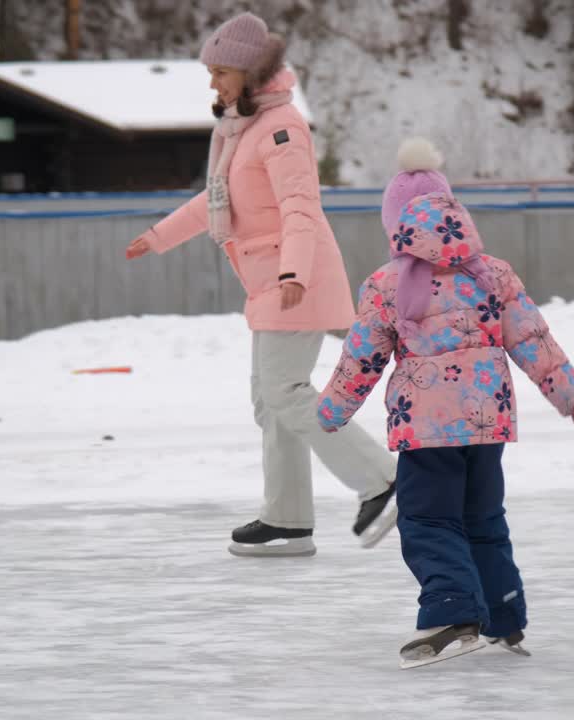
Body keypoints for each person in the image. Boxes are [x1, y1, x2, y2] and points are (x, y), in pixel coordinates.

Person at [125, 12, 396, 558]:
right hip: (271, 280)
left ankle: (385, 481)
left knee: (285, 393)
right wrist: (158, 237)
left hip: (294, 279)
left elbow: (300, 205)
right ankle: (289, 519)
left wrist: (294, 270)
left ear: (249, 73)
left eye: (221, 72)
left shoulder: (281, 127)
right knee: (270, 403)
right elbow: (217, 202)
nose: (213, 83)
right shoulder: (242, 130)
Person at [315, 138, 574, 666]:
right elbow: (531, 337)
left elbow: (361, 357)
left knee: (428, 520)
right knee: (484, 518)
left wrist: (332, 409)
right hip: (488, 425)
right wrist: (568, 391)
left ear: (397, 225)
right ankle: (503, 615)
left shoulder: (386, 283)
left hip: (427, 430)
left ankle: (451, 611)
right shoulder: (492, 273)